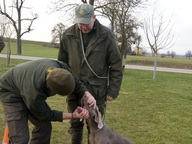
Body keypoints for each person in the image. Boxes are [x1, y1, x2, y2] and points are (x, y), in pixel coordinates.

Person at [58, 3, 123, 144]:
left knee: (95, 127)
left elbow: (117, 65)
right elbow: (61, 63)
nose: (83, 26)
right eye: (80, 23)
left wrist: (113, 90)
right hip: (74, 89)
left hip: (96, 91)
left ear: (94, 17)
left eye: (86, 22)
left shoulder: (106, 36)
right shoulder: (68, 35)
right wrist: (63, 85)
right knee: (75, 123)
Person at [0, 59, 96, 144]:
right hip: (10, 92)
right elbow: (47, 114)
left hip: (24, 84)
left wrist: (86, 93)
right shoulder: (35, 94)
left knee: (44, 127)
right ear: (52, 90)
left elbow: (74, 79)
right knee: (20, 138)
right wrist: (72, 115)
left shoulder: (60, 68)